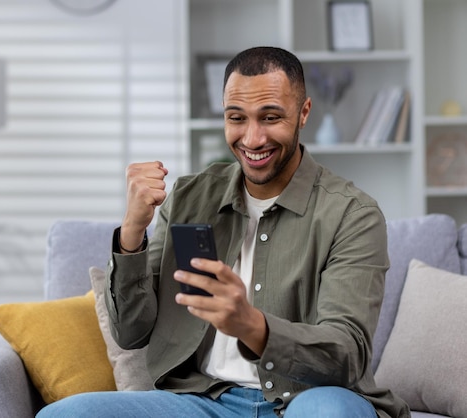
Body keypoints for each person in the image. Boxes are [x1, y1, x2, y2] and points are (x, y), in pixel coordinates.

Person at [37, 46, 410, 418]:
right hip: (202, 402)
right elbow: (131, 333)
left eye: (270, 117)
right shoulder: (187, 197)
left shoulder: (352, 213)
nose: (252, 138)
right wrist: (133, 230)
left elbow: (347, 352)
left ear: (303, 113)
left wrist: (252, 325)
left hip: (305, 400)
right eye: (237, 118)